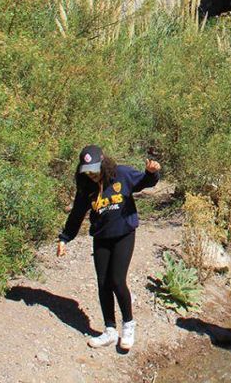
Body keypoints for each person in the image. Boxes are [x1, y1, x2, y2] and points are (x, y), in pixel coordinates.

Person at [57, 145, 160, 350]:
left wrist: (151, 173)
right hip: (101, 237)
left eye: (94, 169)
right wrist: (65, 238)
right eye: (87, 171)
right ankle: (110, 330)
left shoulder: (121, 174)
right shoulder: (86, 187)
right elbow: (77, 214)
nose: (92, 174)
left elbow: (143, 182)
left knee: (117, 280)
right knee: (103, 283)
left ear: (103, 163)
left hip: (124, 234)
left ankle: (128, 325)